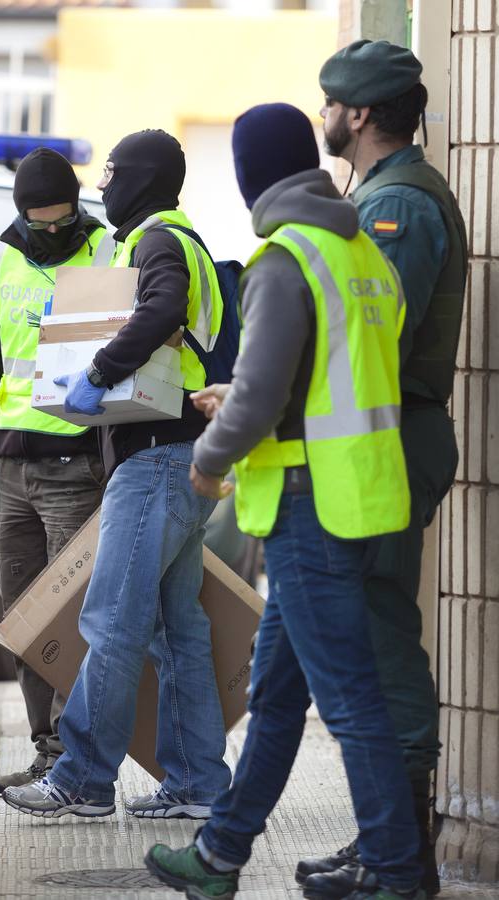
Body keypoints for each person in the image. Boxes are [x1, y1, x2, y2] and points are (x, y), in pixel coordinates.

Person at [144, 104, 425, 900]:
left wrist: (208, 460)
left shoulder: (282, 258)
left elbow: (267, 391)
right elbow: (337, 372)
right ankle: (221, 855)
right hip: (359, 498)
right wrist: (249, 394)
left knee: (349, 701)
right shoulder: (362, 251)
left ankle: (397, 871)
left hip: (307, 510)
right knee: (274, 699)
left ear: (248, 176)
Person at [2, 129, 231, 819]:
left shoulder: (159, 240)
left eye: (112, 172)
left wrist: (98, 372)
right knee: (176, 630)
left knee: (112, 620)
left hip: (156, 459)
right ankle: (196, 785)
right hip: (185, 456)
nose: (103, 185)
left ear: (144, 177)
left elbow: (162, 307)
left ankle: (82, 780)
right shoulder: (181, 237)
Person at [296, 41, 468, 898]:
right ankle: (385, 843)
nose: (324, 115)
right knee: (362, 639)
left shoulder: (398, 204)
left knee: (383, 641)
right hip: (385, 438)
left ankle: (402, 862)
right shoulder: (382, 194)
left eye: (330, 103)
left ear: (357, 114)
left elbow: (368, 341)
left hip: (393, 441)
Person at [0, 148, 112, 793]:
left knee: (70, 615)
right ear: (21, 214)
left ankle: (74, 762)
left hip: (76, 463)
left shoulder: (107, 250)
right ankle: (46, 750)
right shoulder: (0, 257)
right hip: (14, 465)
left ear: (77, 208)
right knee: (21, 612)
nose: (52, 235)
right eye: (38, 224)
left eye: (62, 222)